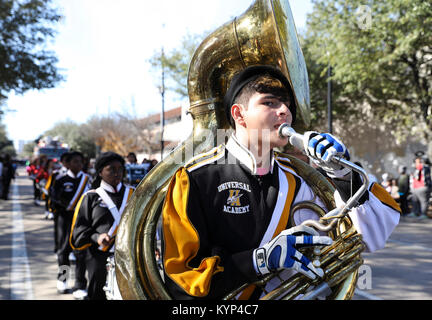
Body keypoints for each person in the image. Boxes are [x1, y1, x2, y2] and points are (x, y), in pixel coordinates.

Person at [161, 65, 400, 299]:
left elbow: (369, 236)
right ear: (238, 114)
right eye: (269, 103)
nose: (285, 110)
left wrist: (343, 173)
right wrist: (257, 262)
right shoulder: (193, 179)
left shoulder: (300, 180)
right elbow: (181, 285)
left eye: (287, 104)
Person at [70, 152, 134, 300]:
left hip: (127, 256)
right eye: (111, 169)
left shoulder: (133, 194)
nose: (117, 173)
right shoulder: (90, 197)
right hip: (98, 256)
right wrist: (97, 237)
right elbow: (79, 230)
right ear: (100, 172)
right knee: (98, 294)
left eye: (120, 169)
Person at [50, 151, 90, 299]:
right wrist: (65, 206)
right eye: (75, 162)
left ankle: (80, 284)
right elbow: (53, 198)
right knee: (64, 251)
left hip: (81, 221)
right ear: (68, 163)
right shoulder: (60, 179)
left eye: (80, 162)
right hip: (64, 220)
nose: (78, 165)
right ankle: (63, 279)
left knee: (81, 252)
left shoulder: (87, 180)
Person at [408, 152, 431, 219]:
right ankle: (415, 212)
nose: (415, 162)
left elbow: (418, 176)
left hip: (422, 187)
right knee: (415, 201)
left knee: (423, 201)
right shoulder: (418, 168)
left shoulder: (423, 167)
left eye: (416, 161)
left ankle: (423, 214)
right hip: (416, 187)